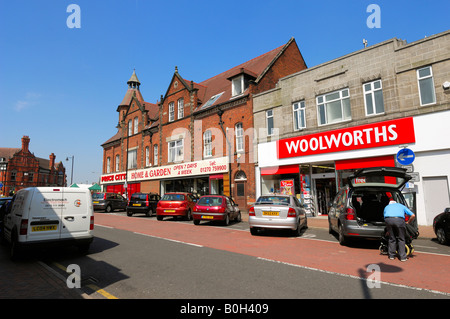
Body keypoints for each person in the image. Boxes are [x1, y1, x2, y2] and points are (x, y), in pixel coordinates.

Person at [383, 197, 415, 261]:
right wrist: (408, 222)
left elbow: (385, 217)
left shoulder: (386, 207)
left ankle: (391, 256)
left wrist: (388, 230)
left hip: (388, 220)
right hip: (399, 220)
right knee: (401, 238)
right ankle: (402, 257)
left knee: (392, 238)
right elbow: (413, 215)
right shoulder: (401, 206)